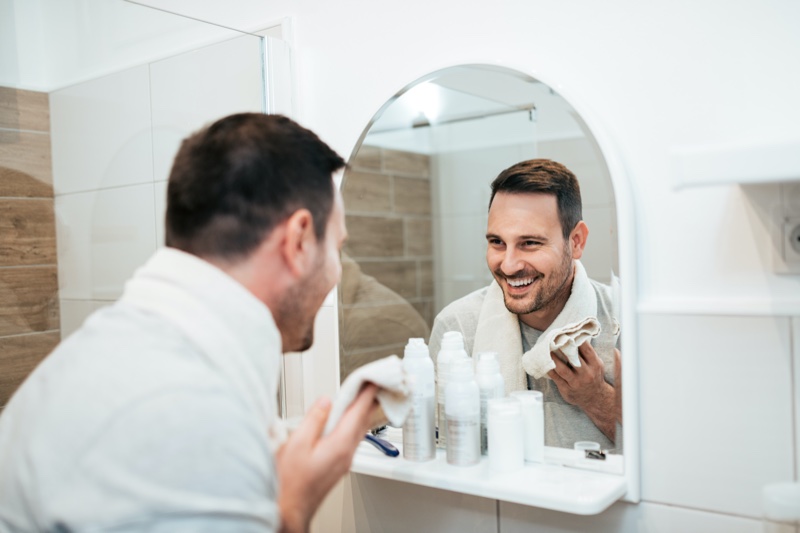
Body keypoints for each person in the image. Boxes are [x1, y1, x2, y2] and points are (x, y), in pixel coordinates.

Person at [0, 113, 379, 532]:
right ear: (300, 241)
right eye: (337, 248)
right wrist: (293, 508)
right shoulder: (191, 411)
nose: (339, 272)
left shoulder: (122, 347)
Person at [429, 159, 622, 450]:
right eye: (497, 242)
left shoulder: (624, 323)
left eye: (529, 243)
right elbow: (440, 450)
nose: (508, 265)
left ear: (577, 241)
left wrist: (595, 397)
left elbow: (665, 457)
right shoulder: (456, 328)